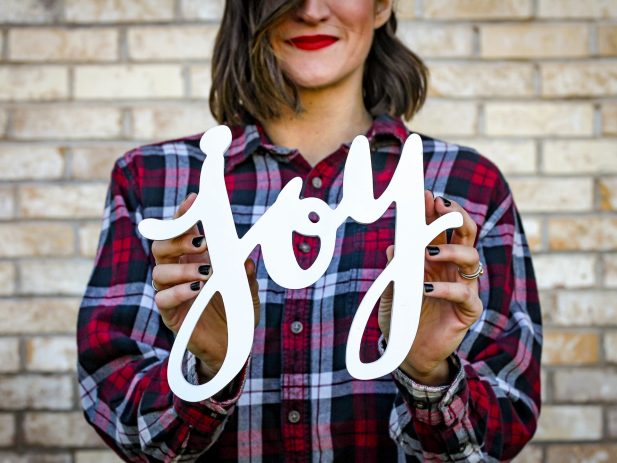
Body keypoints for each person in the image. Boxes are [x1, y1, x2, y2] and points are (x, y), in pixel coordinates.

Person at [77, 0, 542, 461]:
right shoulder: (154, 180)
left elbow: (500, 431)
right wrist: (210, 368)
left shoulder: (467, 187)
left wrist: (430, 374)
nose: (312, 10)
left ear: (381, 6)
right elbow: (121, 414)